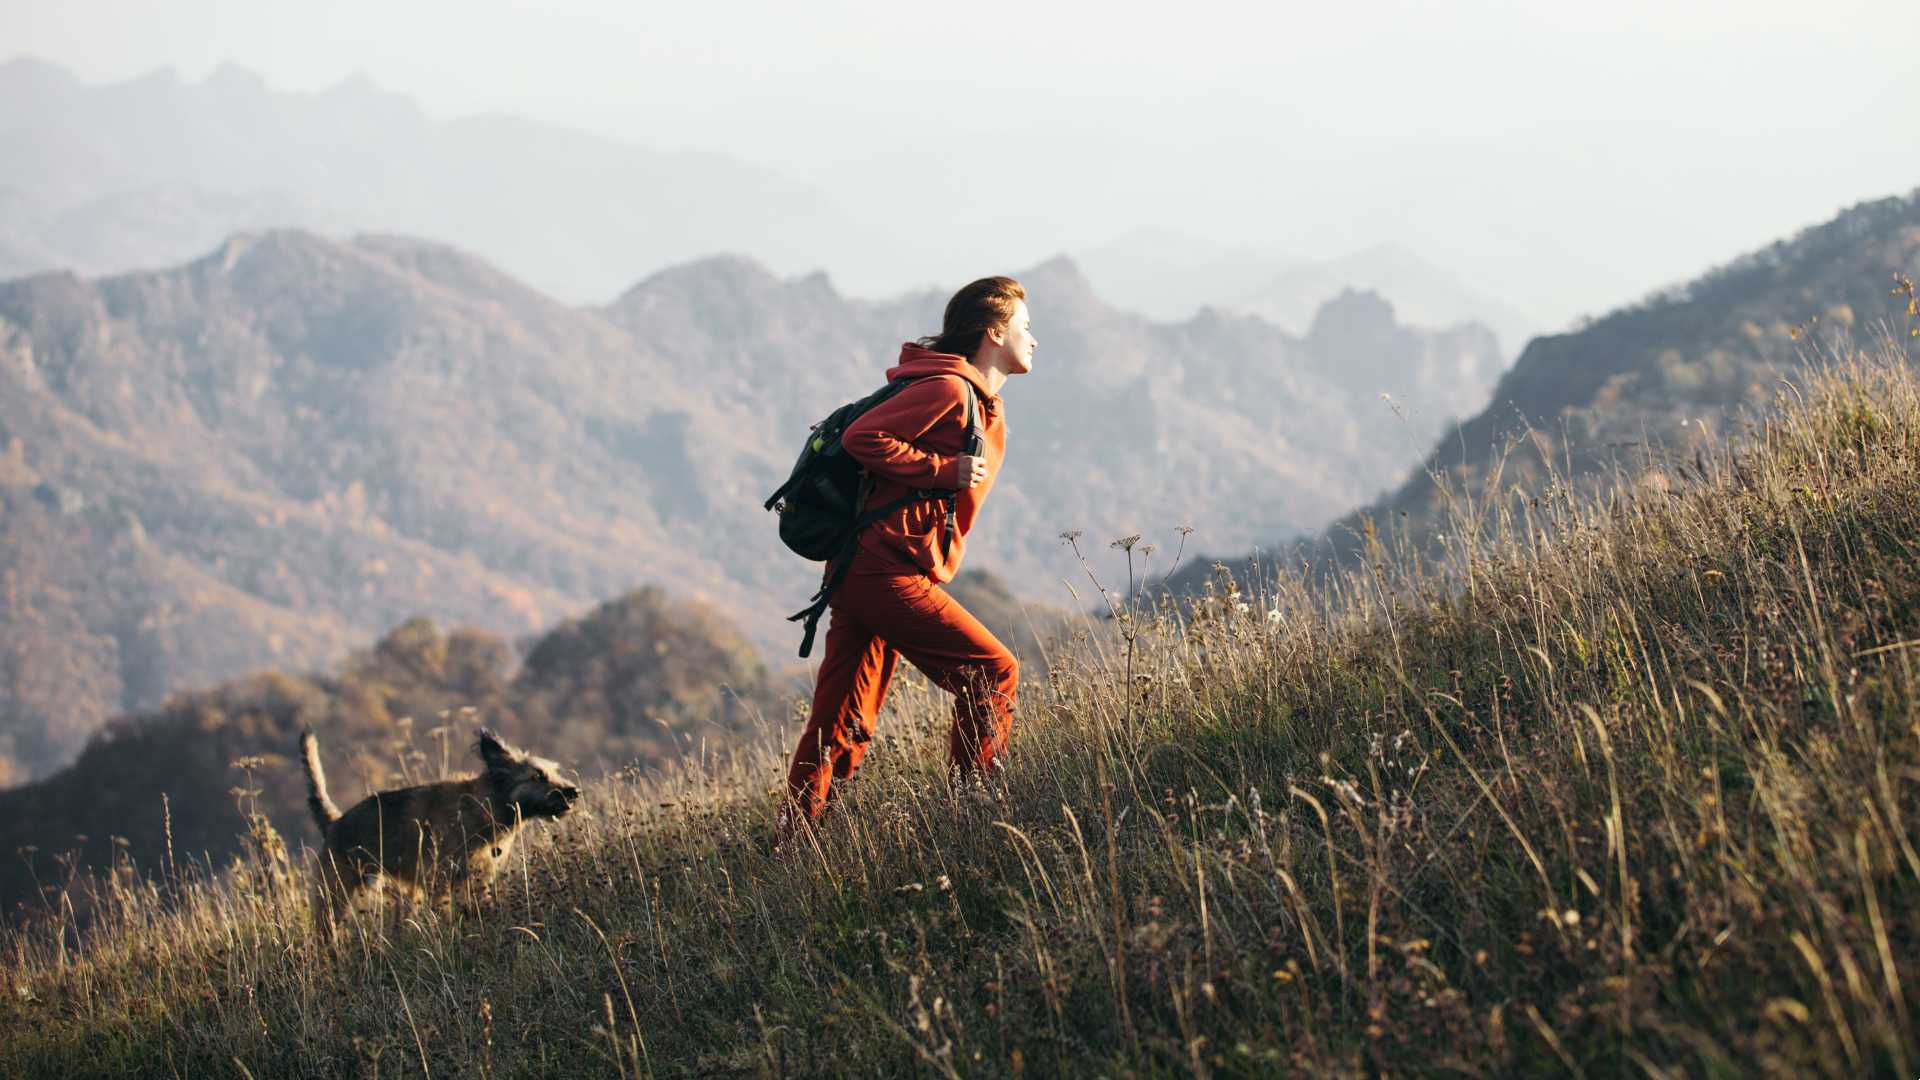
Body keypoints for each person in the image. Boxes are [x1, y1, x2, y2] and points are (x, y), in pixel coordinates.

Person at [778, 275, 1035, 842]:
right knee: (992, 674)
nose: (1033, 339)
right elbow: (863, 437)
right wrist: (943, 471)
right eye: (1025, 326)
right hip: (882, 569)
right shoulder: (948, 390)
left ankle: (793, 847)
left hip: (865, 569)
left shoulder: (974, 398)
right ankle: (974, 821)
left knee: (840, 721)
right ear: (994, 332)